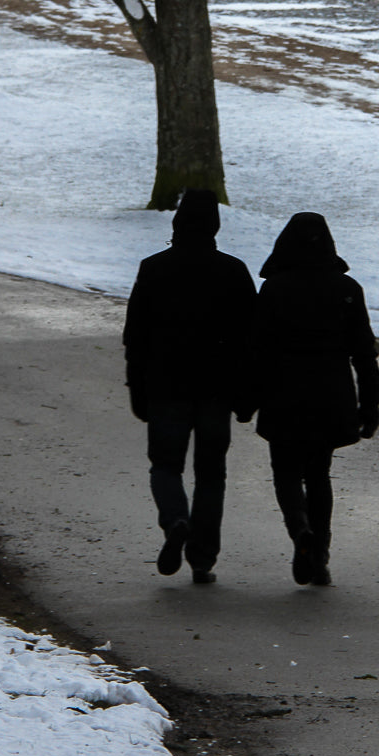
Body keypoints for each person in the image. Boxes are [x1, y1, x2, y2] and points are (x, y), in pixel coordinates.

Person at [123, 189, 257, 584]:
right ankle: (202, 557)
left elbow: (136, 336)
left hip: (166, 385)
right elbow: (251, 340)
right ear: (215, 226)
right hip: (217, 389)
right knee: (211, 474)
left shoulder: (154, 268)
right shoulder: (233, 271)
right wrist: (248, 394)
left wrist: (138, 388)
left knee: (165, 465)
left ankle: (175, 520)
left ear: (176, 223)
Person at [254, 212, 379, 586]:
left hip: (284, 391)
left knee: (286, 472)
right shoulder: (346, 289)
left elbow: (258, 349)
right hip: (332, 392)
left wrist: (249, 396)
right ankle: (320, 554)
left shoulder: (275, 289)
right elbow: (363, 353)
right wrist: (369, 404)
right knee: (319, 474)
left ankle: (300, 530)